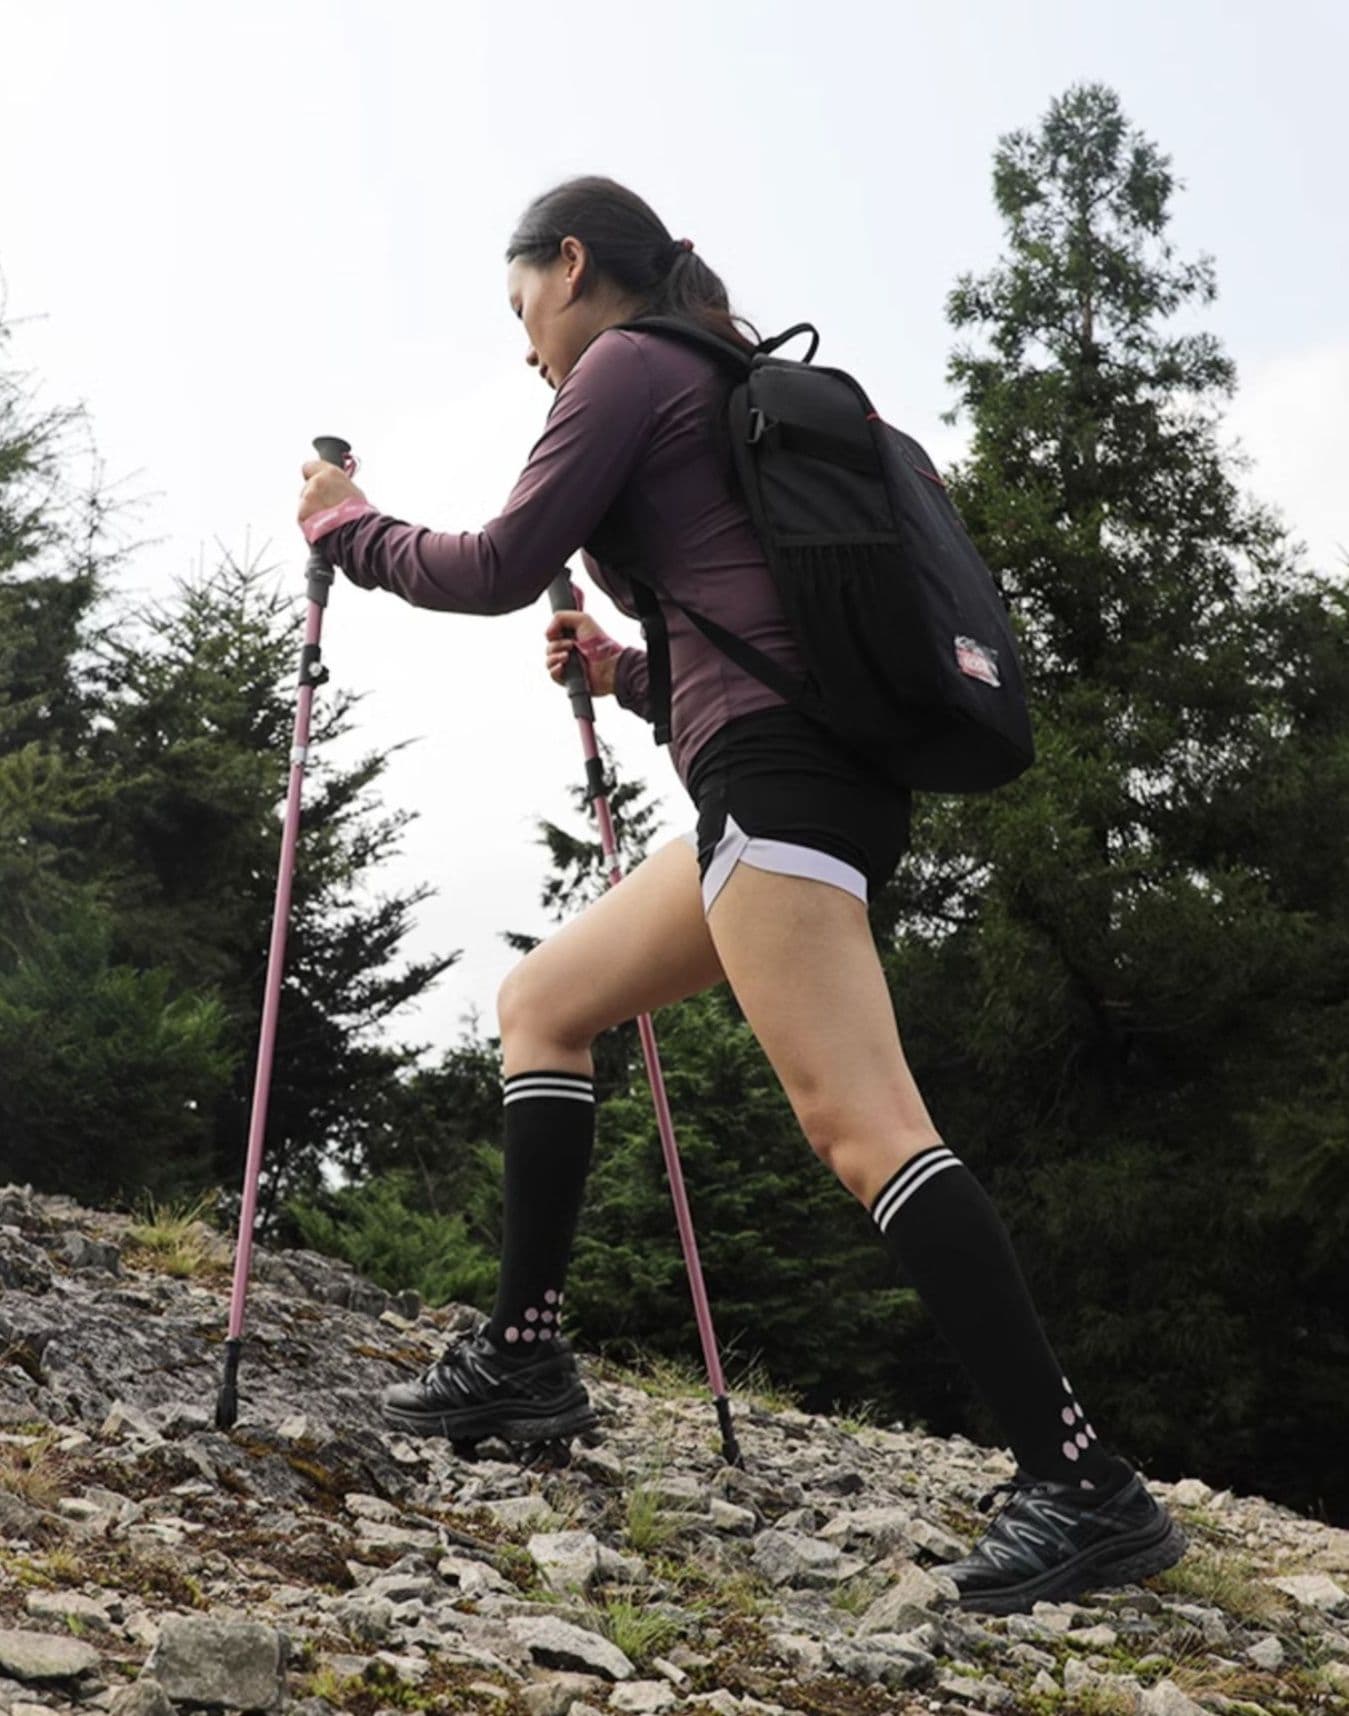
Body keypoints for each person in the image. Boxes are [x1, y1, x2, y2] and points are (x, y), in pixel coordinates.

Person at [295, 174, 1186, 1613]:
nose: (525, 342)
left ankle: (1082, 1482)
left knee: (860, 1126)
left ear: (572, 264)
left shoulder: (629, 366)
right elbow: (749, 648)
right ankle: (523, 1357)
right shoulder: (717, 381)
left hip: (776, 796)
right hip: (785, 780)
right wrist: (625, 673)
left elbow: (497, 565)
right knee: (545, 1000)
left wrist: (348, 526)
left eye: (523, 305)